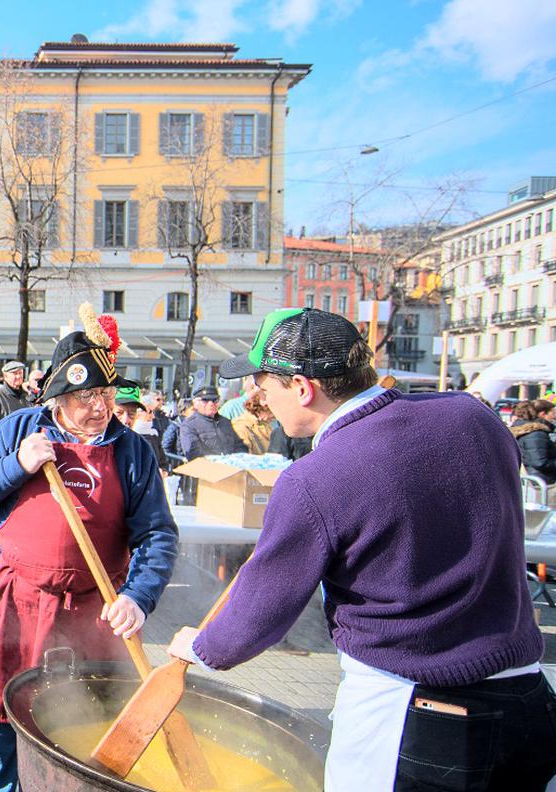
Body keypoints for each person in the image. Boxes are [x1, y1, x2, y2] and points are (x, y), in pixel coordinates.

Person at [166, 308, 554, 791]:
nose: (260, 398)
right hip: (530, 696)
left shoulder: (314, 478)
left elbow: (263, 607)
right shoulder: (474, 417)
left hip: (417, 711)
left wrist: (202, 648)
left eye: (266, 386)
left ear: (303, 388)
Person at [0, 306, 177, 792]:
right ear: (58, 396)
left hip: (96, 612)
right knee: (0, 711)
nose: (99, 406)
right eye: (85, 395)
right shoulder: (19, 430)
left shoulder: (132, 449)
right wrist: (17, 465)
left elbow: (158, 534)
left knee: (86, 718)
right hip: (22, 600)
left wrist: (138, 597)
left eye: (104, 393)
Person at [180, 386, 247, 459]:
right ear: (195, 403)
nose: (211, 404)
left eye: (215, 400)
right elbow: (193, 454)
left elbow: (240, 445)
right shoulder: (189, 425)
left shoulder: (225, 422)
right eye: (205, 400)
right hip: (206, 468)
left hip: (231, 467)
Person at [115, 387, 165, 469]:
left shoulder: (142, 446)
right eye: (119, 413)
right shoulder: (98, 445)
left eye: (131, 414)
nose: (126, 420)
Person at [511, 399, 556, 484]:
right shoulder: (536, 433)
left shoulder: (526, 431)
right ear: (542, 414)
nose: (554, 417)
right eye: (553, 413)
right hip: (542, 482)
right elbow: (539, 462)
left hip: (535, 481)